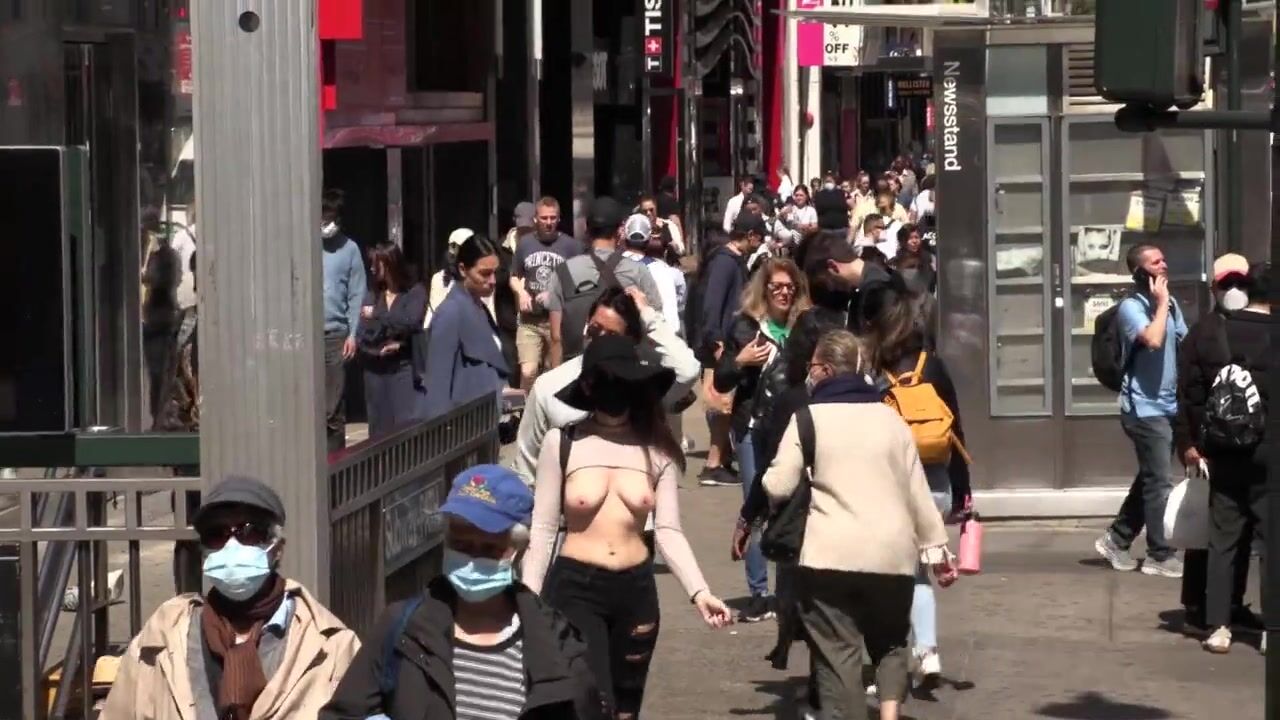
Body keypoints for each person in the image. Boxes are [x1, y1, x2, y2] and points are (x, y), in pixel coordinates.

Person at [522, 335, 733, 718]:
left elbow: (668, 530)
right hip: (575, 589)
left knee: (625, 708)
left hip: (635, 591)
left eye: (623, 380)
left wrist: (700, 591)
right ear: (588, 386)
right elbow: (543, 529)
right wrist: (528, 600)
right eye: (606, 380)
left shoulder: (657, 449)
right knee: (590, 702)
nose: (615, 389)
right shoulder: (562, 442)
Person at [762, 330, 954, 720]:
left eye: (813, 366)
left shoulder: (808, 418)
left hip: (830, 555)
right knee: (891, 641)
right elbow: (917, 491)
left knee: (839, 653)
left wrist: (768, 478)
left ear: (825, 369)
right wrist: (937, 549)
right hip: (892, 555)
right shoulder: (892, 419)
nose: (809, 373)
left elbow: (778, 485)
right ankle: (889, 715)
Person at [321, 465, 608, 720]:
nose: (471, 559)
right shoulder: (402, 628)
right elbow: (342, 713)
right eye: (461, 545)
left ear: (517, 551)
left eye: (488, 549)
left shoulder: (556, 645)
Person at [102, 476, 360, 720]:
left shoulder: (329, 646)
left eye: (249, 532)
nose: (232, 545)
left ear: (277, 549)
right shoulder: (162, 636)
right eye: (217, 534)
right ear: (204, 550)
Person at [865, 294, 970, 684]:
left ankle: (894, 659)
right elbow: (955, 429)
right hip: (935, 485)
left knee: (891, 578)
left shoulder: (874, 374)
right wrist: (963, 490)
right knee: (918, 572)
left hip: (890, 488)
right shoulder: (934, 366)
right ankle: (926, 651)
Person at [1173, 260, 1269, 653]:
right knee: (1266, 540)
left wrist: (1191, 442)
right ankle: (1265, 625)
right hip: (1265, 453)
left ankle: (1219, 623)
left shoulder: (1211, 331)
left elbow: (1188, 392)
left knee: (1223, 539)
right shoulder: (1267, 332)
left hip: (1223, 451)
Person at [514, 286, 699, 486]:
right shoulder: (549, 386)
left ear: (632, 341)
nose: (599, 339)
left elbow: (688, 369)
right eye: (594, 329)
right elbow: (526, 469)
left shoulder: (643, 385)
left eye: (611, 335)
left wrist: (649, 317)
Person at [712, 258, 811, 621]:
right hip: (752, 427)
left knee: (791, 507)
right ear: (764, 291)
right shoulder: (745, 326)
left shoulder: (804, 327)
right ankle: (758, 592)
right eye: (776, 287)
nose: (784, 293)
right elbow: (721, 381)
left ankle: (789, 590)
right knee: (757, 505)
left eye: (790, 287)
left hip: (794, 427)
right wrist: (739, 360)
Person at [1094, 243, 1188, 578]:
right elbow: (1153, 339)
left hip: (1169, 404)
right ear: (1139, 272)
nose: (1164, 265)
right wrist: (1161, 304)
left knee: (1151, 478)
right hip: (1143, 408)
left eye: (1164, 260)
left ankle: (1116, 539)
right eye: (1155, 262)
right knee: (1159, 482)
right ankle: (1159, 555)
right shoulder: (1131, 308)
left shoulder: (1171, 304)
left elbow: (1184, 341)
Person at [546, 197, 663, 366]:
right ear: (620, 230)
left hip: (578, 367)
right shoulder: (638, 271)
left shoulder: (563, 272)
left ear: (586, 229)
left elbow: (556, 337)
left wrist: (557, 374)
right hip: (625, 367)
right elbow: (654, 324)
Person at [697, 212, 768, 486]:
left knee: (725, 406)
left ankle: (722, 459)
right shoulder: (725, 263)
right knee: (721, 406)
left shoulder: (733, 261)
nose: (759, 243)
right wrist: (717, 345)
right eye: (759, 237)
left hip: (731, 345)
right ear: (750, 235)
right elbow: (711, 305)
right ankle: (713, 464)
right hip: (723, 346)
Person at [422, 235, 510, 419]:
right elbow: (437, 384)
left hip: (487, 421)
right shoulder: (451, 312)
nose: (493, 281)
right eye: (484, 274)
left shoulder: (480, 308)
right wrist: (440, 430)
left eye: (495, 272)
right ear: (463, 269)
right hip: (463, 426)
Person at [357, 243, 428, 437]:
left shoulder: (414, 292)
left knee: (405, 426)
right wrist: (387, 333)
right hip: (375, 368)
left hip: (403, 368)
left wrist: (378, 316)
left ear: (389, 264)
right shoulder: (373, 294)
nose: (372, 269)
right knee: (378, 428)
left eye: (376, 264)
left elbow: (410, 321)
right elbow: (364, 332)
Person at [511, 197, 581, 390]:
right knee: (528, 372)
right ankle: (527, 407)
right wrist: (521, 292)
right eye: (544, 218)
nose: (548, 222)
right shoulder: (525, 244)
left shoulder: (572, 246)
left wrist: (556, 294)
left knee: (553, 373)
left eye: (552, 218)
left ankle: (547, 407)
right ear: (535, 219)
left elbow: (579, 282)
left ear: (559, 219)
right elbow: (514, 276)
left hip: (557, 321)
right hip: (529, 320)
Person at [320, 189, 368, 452]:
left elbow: (356, 293)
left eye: (331, 218)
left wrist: (352, 334)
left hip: (336, 335)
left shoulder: (350, 249)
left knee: (333, 407)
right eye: (323, 217)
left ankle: (334, 461)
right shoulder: (306, 246)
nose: (327, 223)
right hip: (306, 335)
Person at [622, 214, 683, 332]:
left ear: (624, 238)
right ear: (649, 240)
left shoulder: (611, 266)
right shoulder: (663, 271)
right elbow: (672, 322)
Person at [891, 223, 936, 293]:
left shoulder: (929, 259)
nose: (914, 241)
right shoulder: (895, 262)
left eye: (916, 237)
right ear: (902, 241)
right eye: (910, 238)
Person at [638, 193, 685, 257]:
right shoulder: (638, 229)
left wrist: (672, 245)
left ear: (656, 208)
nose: (648, 213)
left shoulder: (668, 225)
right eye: (645, 211)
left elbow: (681, 250)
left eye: (651, 210)